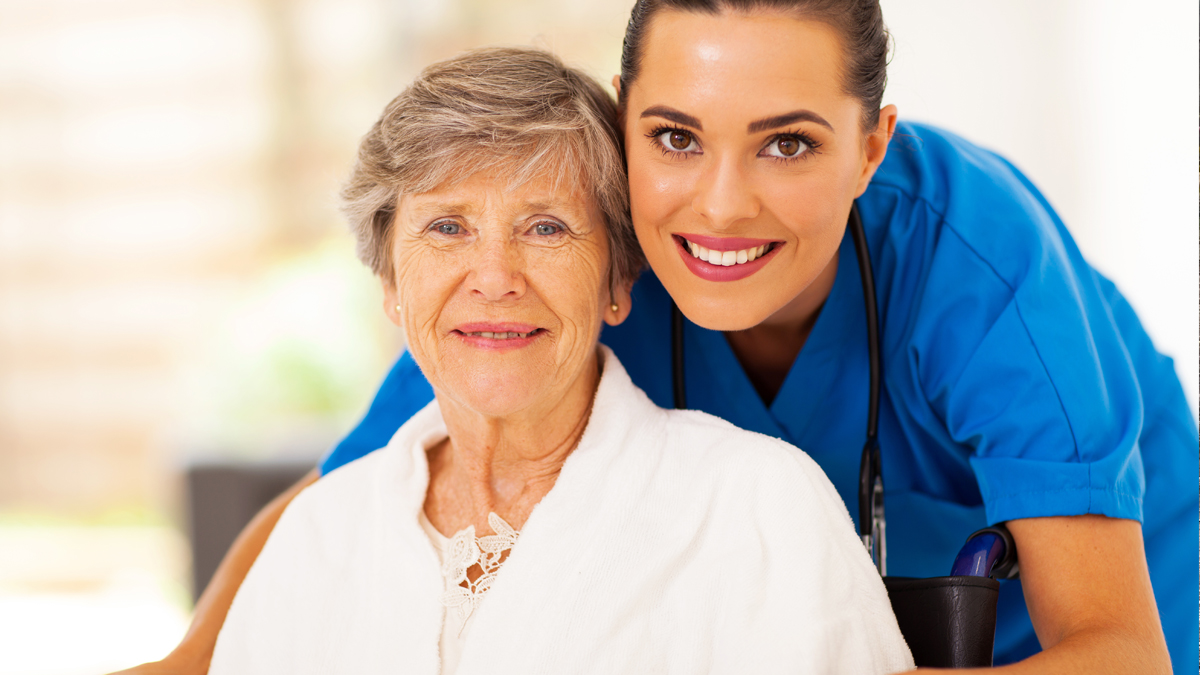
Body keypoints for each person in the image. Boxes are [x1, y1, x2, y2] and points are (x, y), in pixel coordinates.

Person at [117, 1, 1195, 673]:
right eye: (676, 135)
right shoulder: (575, 254)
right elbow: (355, 491)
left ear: (872, 149)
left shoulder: (978, 263)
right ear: (624, 118)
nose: (719, 205)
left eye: (788, 144)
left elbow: (1119, 650)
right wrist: (187, 664)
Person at [205, 46, 913, 674]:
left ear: (616, 283)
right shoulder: (317, 533)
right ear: (391, 283)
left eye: (546, 227)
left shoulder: (761, 506)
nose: (494, 276)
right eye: (448, 227)